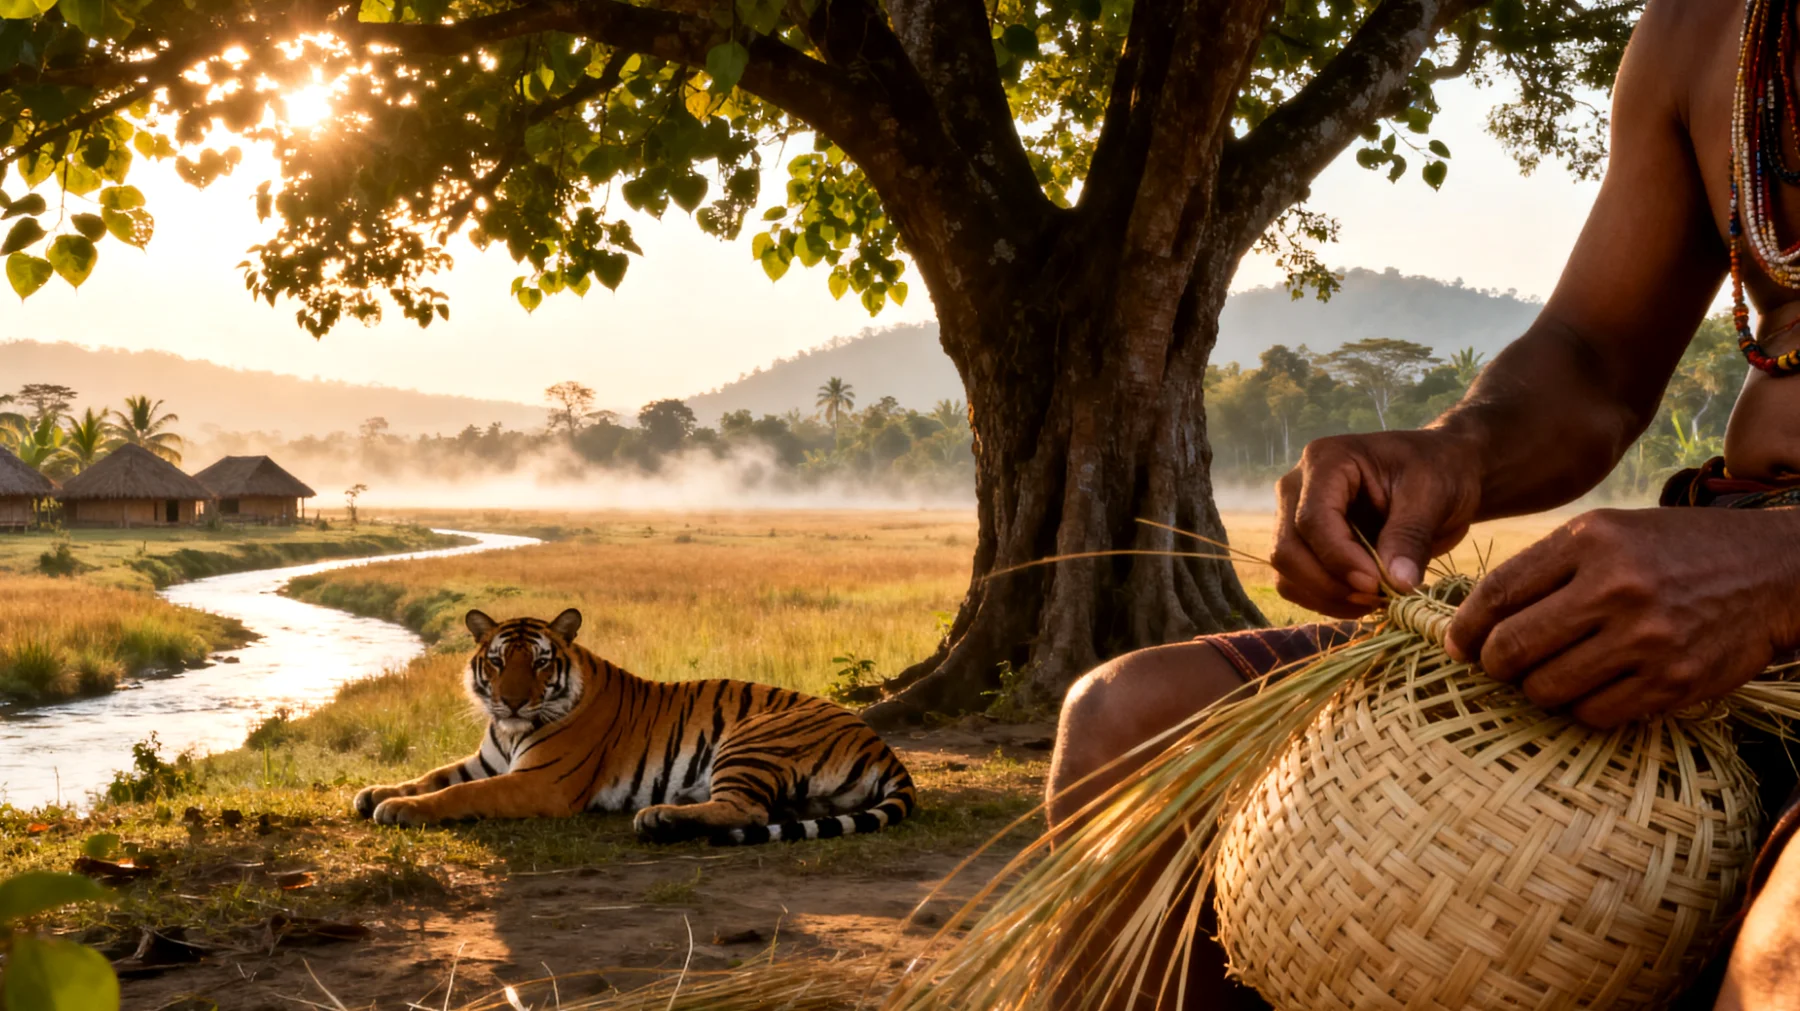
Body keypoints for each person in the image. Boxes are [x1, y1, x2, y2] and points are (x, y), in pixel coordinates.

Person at [1047, 0, 1800, 1008]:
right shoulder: (1710, 27)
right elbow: (1594, 360)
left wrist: (1786, 572)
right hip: (1734, 561)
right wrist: (1457, 450)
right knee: (1130, 724)